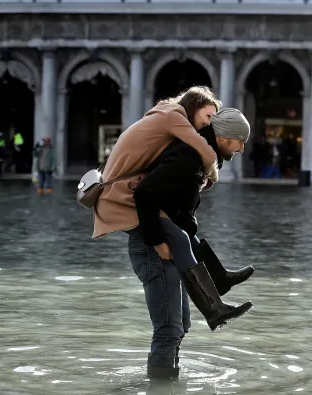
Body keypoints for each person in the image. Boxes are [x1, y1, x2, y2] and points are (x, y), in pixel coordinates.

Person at [92, 87, 253, 379]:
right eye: (240, 142)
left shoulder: (192, 152)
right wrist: (156, 242)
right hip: (153, 244)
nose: (241, 150)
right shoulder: (188, 149)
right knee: (169, 328)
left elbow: (175, 206)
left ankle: (169, 393)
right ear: (225, 137)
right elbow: (146, 194)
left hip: (163, 238)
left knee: (181, 326)